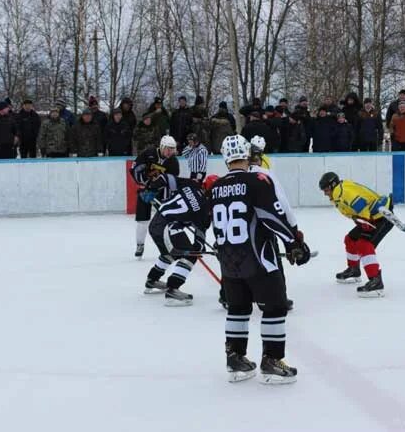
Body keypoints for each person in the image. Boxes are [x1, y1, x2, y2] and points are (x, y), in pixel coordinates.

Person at [208, 135, 310, 384]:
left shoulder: (216, 187)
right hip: (259, 257)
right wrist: (294, 242)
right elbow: (271, 215)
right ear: (248, 154)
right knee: (275, 306)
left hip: (229, 261)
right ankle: (272, 360)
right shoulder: (257, 180)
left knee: (238, 308)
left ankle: (235, 359)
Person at [318, 172, 393, 297]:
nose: (325, 193)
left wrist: (365, 220)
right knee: (350, 239)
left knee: (364, 245)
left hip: (381, 216)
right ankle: (354, 270)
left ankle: (376, 281)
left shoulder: (341, 192)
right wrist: (360, 219)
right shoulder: (339, 191)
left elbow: (360, 204)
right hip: (372, 215)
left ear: (333, 185)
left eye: (326, 189)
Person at [142, 172, 210, 306]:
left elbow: (166, 178)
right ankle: (173, 290)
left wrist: (152, 189)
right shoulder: (205, 209)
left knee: (171, 253)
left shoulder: (192, 185)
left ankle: (152, 280)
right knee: (191, 255)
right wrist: (198, 249)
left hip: (156, 224)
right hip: (169, 227)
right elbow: (199, 239)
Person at [129, 135, 180, 258]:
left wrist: (168, 195)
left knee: (166, 219)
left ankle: (169, 245)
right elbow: (134, 169)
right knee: (143, 220)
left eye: (172, 149)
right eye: (168, 148)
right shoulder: (149, 153)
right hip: (145, 190)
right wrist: (142, 183)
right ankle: (140, 244)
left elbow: (172, 180)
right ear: (161, 147)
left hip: (162, 192)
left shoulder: (173, 161)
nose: (170, 152)